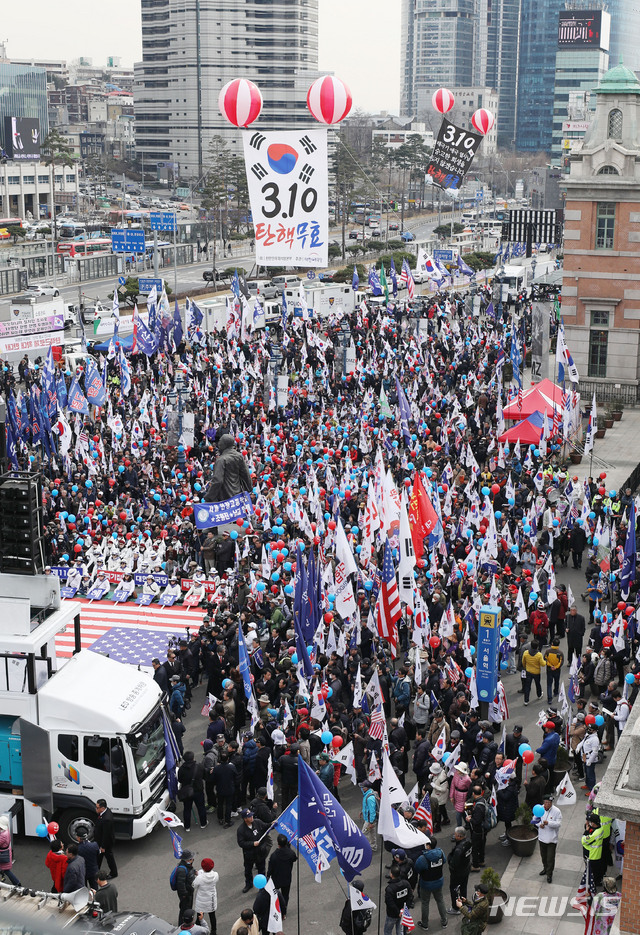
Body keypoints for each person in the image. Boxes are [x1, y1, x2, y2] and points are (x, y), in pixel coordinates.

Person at [204, 434, 252, 502]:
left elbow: (218, 481)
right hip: (237, 498)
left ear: (224, 444)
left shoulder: (221, 460)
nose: (219, 445)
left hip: (225, 499)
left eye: (220, 442)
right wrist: (249, 489)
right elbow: (246, 476)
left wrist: (209, 496)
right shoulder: (239, 457)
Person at [414, 836, 448, 930]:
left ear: (428, 846)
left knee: (425, 903)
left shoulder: (423, 858)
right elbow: (444, 861)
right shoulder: (441, 853)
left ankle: (425, 924)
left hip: (426, 883)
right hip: (438, 881)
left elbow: (417, 868)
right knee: (440, 900)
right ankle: (444, 921)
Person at [236, 808, 272, 894]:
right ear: (245, 819)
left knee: (261, 870)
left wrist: (271, 824)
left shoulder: (258, 822)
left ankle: (262, 887)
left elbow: (266, 826)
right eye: (249, 816)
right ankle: (249, 884)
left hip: (260, 852)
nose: (252, 817)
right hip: (249, 854)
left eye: (251, 815)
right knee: (248, 870)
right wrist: (252, 843)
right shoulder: (241, 830)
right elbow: (241, 843)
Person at [267, 833, 297, 914]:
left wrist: (268, 876)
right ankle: (283, 911)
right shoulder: (290, 853)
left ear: (278, 843)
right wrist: (289, 848)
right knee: (285, 896)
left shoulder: (274, 855)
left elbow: (270, 868)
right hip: (286, 878)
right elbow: (294, 858)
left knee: (274, 895)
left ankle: (275, 910)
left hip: (276, 879)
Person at [178, 750, 208, 830]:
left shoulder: (181, 769)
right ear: (193, 758)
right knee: (201, 807)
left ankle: (187, 826)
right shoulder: (199, 766)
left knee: (187, 809)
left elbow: (180, 780)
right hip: (198, 790)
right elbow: (204, 776)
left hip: (187, 792)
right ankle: (203, 823)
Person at [536, 794, 562, 882]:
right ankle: (545, 868)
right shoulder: (539, 809)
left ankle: (549, 874)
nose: (547, 804)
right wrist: (539, 824)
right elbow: (535, 819)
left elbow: (558, 824)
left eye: (549, 802)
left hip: (552, 839)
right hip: (542, 838)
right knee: (543, 857)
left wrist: (549, 823)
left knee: (550, 858)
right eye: (546, 802)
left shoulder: (557, 811)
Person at [447, 828, 472, 914]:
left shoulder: (459, 849)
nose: (454, 836)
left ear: (459, 836)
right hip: (466, 869)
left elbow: (454, 863)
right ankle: (463, 903)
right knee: (463, 887)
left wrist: (450, 864)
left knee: (454, 889)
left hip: (458, 873)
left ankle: (456, 908)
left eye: (455, 835)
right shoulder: (468, 842)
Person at [384, 864, 413, 935]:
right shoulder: (406, 884)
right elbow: (410, 896)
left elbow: (390, 903)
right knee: (400, 931)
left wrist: (398, 912)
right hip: (403, 912)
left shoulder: (390, 888)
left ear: (391, 874)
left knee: (387, 931)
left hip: (392, 914)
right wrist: (405, 909)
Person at [192, 858, 219, 935]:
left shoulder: (199, 878)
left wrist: (198, 874)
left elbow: (194, 885)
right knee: (212, 916)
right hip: (211, 899)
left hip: (201, 900)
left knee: (199, 916)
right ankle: (214, 931)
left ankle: (197, 931)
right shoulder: (215, 875)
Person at [465, 787, 487, 871]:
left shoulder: (478, 806)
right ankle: (481, 861)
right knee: (481, 846)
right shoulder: (483, 800)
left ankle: (475, 865)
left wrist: (470, 819)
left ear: (473, 793)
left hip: (478, 830)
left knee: (475, 847)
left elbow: (477, 821)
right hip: (483, 828)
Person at [94, 799, 117, 879]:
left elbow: (106, 834)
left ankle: (113, 873)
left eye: (97, 808)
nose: (96, 809)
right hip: (101, 841)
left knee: (108, 857)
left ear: (102, 808)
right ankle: (96, 871)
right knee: (99, 857)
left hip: (105, 843)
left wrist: (103, 846)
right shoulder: (105, 813)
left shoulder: (106, 819)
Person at [174, 849, 197, 925]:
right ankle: (181, 925)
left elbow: (190, 869)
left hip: (189, 892)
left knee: (188, 908)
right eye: (191, 858)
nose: (193, 859)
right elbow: (180, 885)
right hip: (186, 894)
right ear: (187, 860)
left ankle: (188, 923)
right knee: (184, 910)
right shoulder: (181, 870)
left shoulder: (186, 865)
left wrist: (194, 871)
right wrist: (185, 894)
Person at [521, 640, 546, 705]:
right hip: (536, 672)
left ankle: (526, 700)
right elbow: (543, 664)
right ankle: (539, 695)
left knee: (527, 686)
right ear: (537, 647)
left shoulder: (526, 653)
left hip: (528, 671)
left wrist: (525, 667)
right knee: (537, 684)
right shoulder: (539, 655)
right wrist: (545, 661)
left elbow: (523, 662)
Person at [0, 816, 20, 886]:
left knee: (6, 871)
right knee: (6, 870)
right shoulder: (6, 830)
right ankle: (17, 883)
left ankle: (17, 883)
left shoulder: (3, 835)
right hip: (6, 852)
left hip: (2, 854)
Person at [361, 780, 380, 852]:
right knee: (372, 833)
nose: (361, 788)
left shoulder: (369, 798)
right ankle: (373, 846)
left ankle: (368, 847)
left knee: (364, 833)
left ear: (366, 788)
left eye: (363, 787)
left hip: (369, 820)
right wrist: (362, 811)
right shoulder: (370, 794)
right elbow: (367, 807)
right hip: (371, 819)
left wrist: (371, 822)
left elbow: (372, 811)